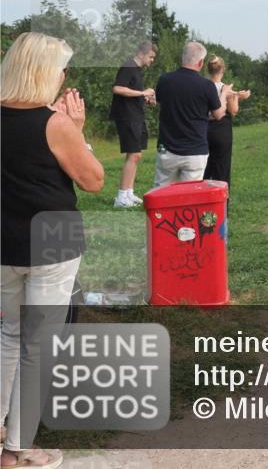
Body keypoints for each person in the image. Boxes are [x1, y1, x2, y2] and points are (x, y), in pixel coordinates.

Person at [1, 32, 105, 469]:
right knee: (37, 346)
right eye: (62, 68)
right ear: (46, 73)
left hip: (4, 244)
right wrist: (77, 132)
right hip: (53, 242)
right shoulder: (55, 124)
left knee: (6, 338)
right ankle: (18, 451)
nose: (65, 77)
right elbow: (94, 179)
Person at [153, 41, 232, 188]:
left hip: (166, 149)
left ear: (182, 58)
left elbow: (158, 103)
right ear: (201, 62)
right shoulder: (206, 86)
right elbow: (218, 114)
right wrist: (224, 93)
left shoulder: (164, 80)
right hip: (195, 152)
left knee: (161, 194)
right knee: (188, 197)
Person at [108, 40, 157, 207]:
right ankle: (121, 197)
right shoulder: (128, 66)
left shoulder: (136, 70)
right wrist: (143, 92)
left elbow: (131, 92)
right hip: (127, 117)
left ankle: (128, 193)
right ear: (142, 53)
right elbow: (118, 88)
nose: (152, 60)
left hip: (136, 115)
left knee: (136, 155)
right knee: (134, 154)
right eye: (151, 57)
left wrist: (145, 97)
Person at [203, 55, 251, 187]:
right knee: (221, 170)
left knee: (204, 168)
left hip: (203, 129)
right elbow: (233, 110)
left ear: (208, 69)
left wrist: (236, 94)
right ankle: (220, 203)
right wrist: (237, 97)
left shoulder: (202, 85)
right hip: (221, 130)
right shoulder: (225, 88)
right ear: (223, 69)